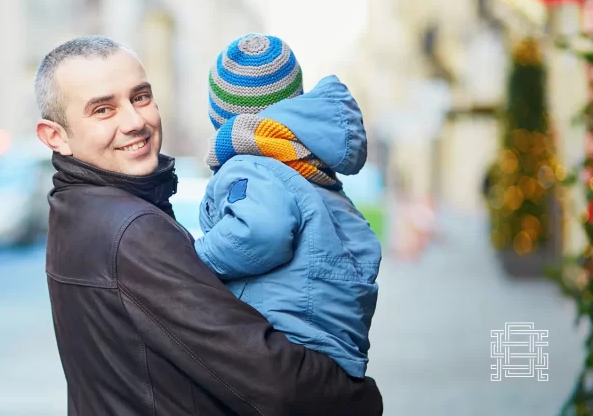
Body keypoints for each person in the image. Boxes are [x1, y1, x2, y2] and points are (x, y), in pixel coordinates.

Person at [35, 35, 382, 415]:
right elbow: (276, 382)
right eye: (103, 110)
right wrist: (359, 398)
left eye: (140, 97)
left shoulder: (76, 206)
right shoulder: (132, 230)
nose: (135, 121)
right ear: (55, 136)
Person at [195, 34, 381, 379]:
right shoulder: (307, 163)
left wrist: (193, 257)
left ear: (218, 114)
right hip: (329, 340)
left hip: (288, 338)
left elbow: (261, 232)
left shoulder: (250, 162)